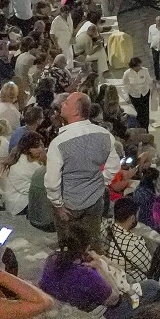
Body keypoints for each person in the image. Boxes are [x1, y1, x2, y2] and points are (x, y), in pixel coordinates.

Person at [44, 91, 121, 240]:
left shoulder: (59, 143)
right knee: (92, 240)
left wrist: (58, 206)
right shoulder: (104, 135)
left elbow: (52, 182)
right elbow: (114, 166)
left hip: (69, 205)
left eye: (66, 103)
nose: (62, 104)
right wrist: (101, 183)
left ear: (76, 111)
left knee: (69, 244)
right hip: (95, 200)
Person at [39, 225, 135, 319]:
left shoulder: (52, 259)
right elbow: (115, 299)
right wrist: (99, 267)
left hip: (62, 304)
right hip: (99, 314)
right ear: (87, 248)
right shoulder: (86, 274)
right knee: (150, 286)